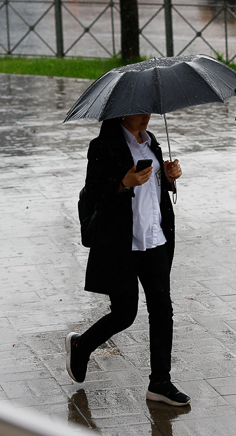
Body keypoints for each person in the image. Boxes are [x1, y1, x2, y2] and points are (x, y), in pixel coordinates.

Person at [66, 114, 190, 406]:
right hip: (122, 244)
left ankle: (160, 383)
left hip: (155, 238)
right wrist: (123, 182)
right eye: (139, 110)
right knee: (125, 313)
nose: (145, 116)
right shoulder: (102, 146)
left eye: (148, 110)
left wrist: (167, 177)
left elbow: (154, 189)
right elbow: (94, 191)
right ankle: (81, 345)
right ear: (122, 112)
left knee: (162, 311)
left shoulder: (152, 142)